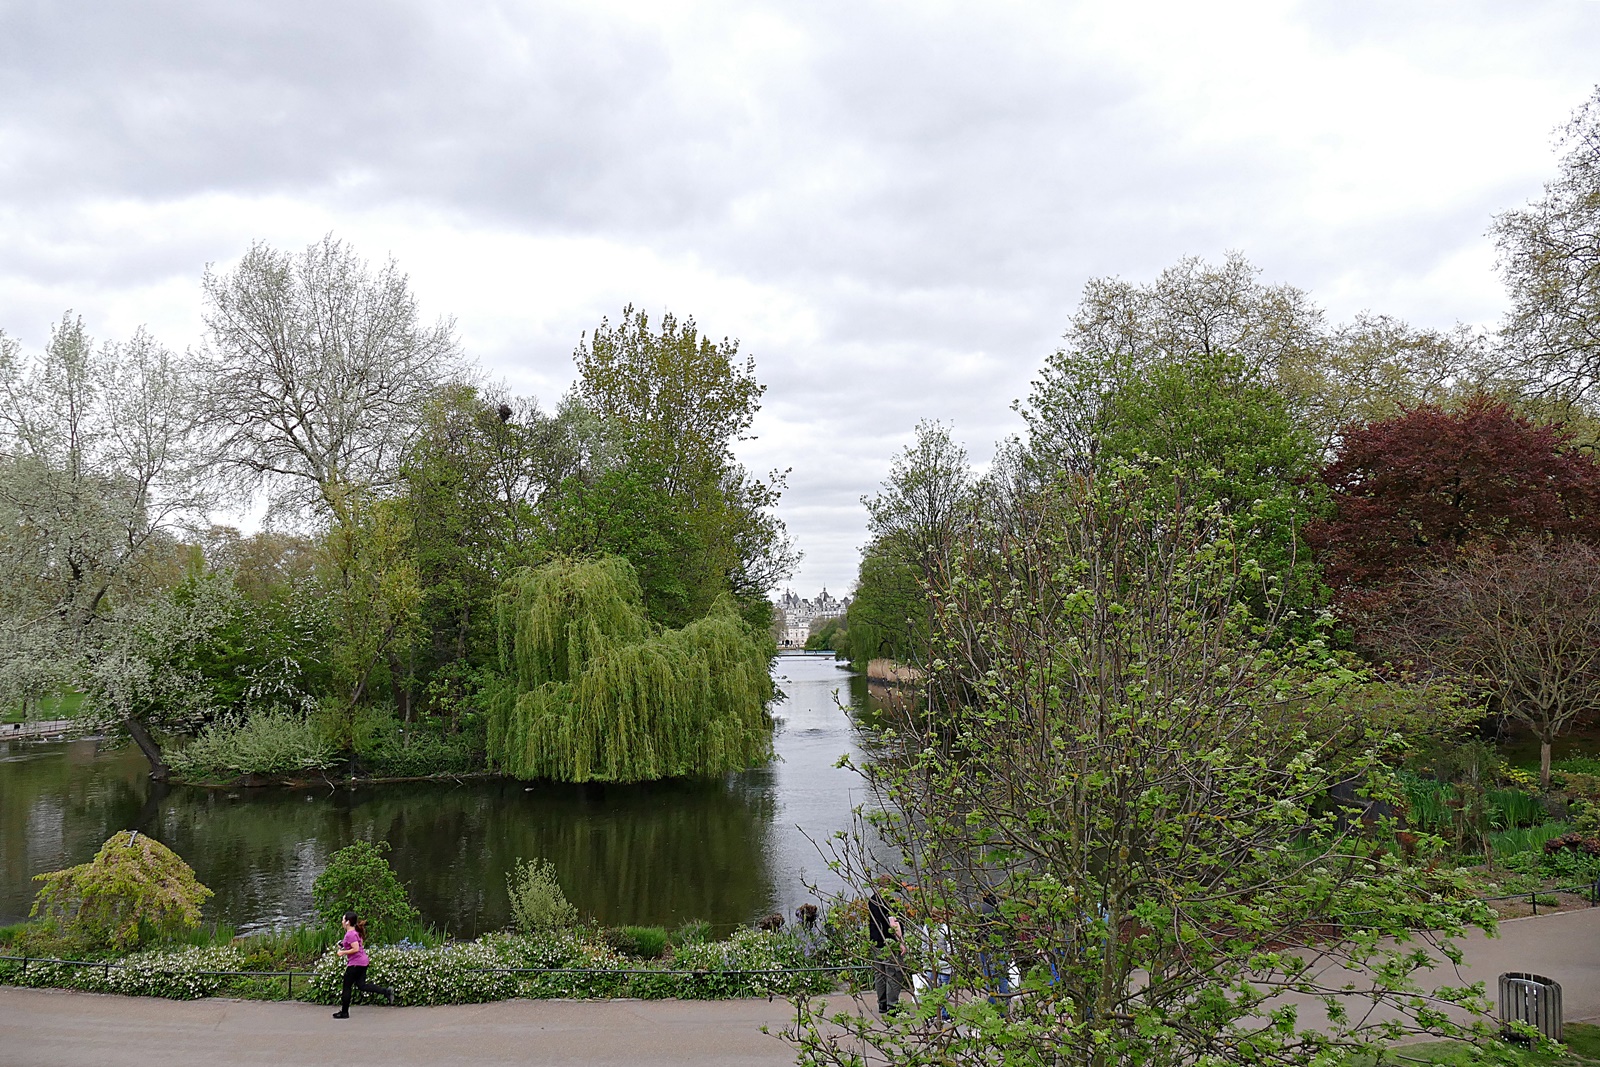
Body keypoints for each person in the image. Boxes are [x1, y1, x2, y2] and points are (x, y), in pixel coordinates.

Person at [332, 910, 394, 1019]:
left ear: (347, 922)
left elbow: (355, 949)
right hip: (363, 962)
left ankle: (344, 1012)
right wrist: (343, 945)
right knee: (362, 985)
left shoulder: (350, 934)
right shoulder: (355, 932)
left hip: (355, 964)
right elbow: (357, 945)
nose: (341, 921)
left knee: (346, 987)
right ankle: (386, 991)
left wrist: (343, 952)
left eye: (343, 919)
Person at [867, 889, 906, 1015]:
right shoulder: (888, 902)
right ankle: (892, 1006)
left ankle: (882, 1003)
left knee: (880, 973)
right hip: (888, 942)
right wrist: (900, 941)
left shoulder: (872, 899)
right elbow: (893, 923)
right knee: (893, 973)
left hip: (875, 941)